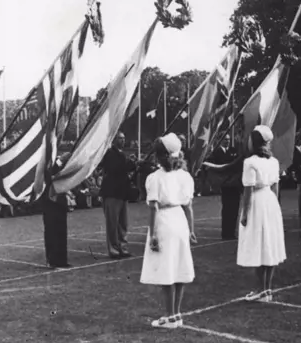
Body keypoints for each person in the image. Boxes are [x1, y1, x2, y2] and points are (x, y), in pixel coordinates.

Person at [140, 133, 196, 328]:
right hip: (179, 221)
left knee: (167, 270)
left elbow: (154, 207)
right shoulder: (185, 176)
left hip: (165, 223)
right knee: (178, 268)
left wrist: (153, 235)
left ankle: (171, 315)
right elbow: (188, 206)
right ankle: (176, 314)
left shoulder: (155, 178)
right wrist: (190, 229)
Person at [237, 125, 285, 301]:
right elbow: (275, 187)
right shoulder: (273, 162)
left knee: (258, 244)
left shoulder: (250, 162)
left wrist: (244, 213)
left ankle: (260, 289)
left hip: (258, 202)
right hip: (270, 201)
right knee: (269, 245)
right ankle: (267, 289)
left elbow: (248, 190)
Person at [100, 132, 136, 259]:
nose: (123, 140)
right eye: (120, 138)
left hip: (122, 194)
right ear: (114, 140)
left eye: (124, 138)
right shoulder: (110, 154)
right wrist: (131, 164)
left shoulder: (121, 154)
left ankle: (123, 247)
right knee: (112, 223)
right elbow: (116, 168)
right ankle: (114, 249)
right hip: (112, 193)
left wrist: (133, 164)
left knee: (123, 223)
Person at [205, 135, 242, 240]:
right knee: (227, 209)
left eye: (229, 140)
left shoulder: (233, 150)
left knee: (235, 209)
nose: (227, 141)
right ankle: (226, 233)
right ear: (219, 140)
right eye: (225, 139)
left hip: (235, 184)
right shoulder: (216, 153)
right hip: (225, 185)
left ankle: (232, 232)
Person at [42, 153, 72, 269]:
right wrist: (60, 161)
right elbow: (49, 174)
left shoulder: (59, 161)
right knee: (51, 231)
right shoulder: (44, 161)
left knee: (61, 231)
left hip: (60, 199)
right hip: (49, 201)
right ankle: (52, 259)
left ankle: (62, 259)